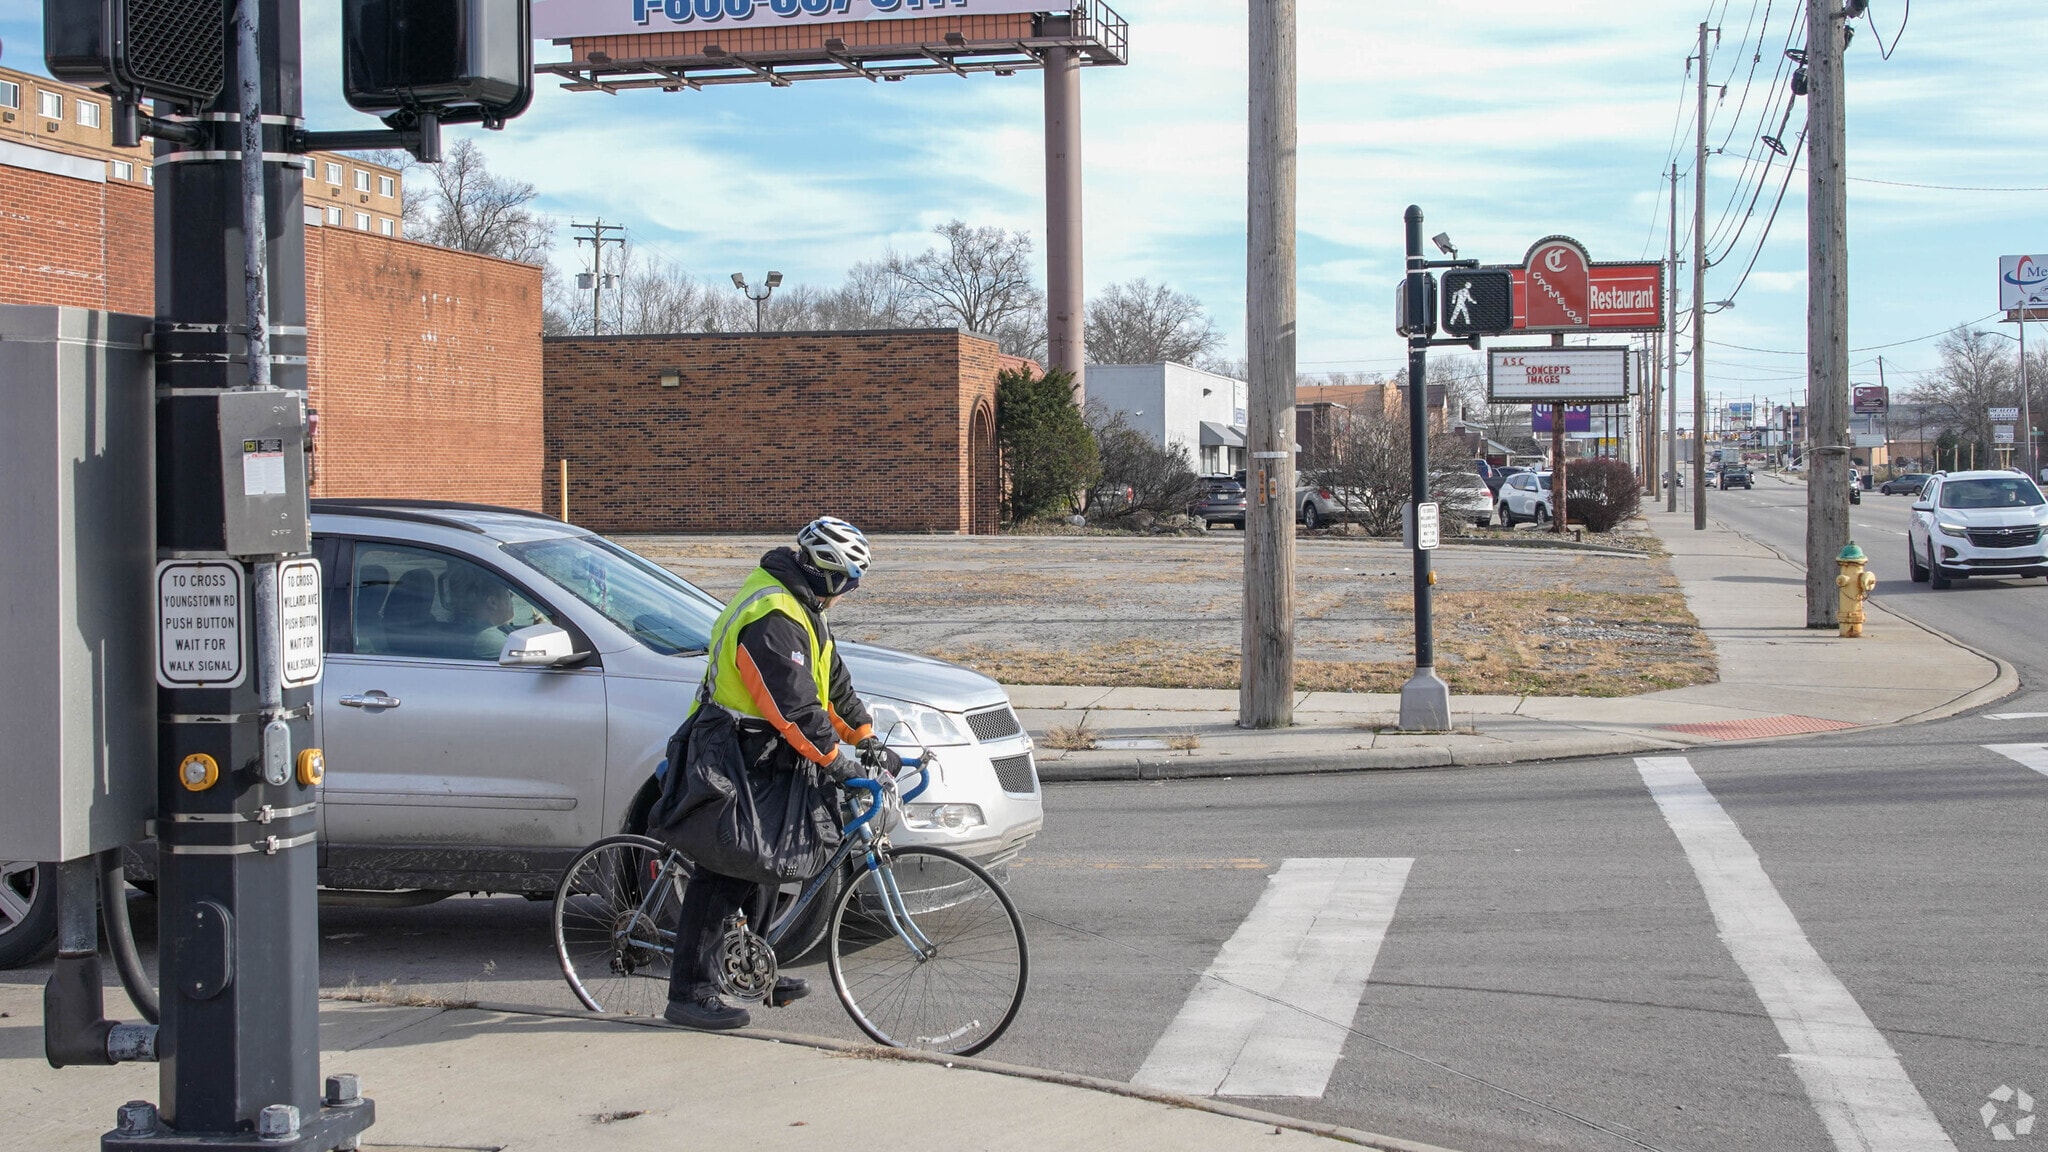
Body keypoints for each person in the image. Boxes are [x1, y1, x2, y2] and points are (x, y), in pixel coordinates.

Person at [664, 516, 897, 1031]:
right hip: (731, 751)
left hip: (768, 754)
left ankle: (751, 968)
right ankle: (689, 992)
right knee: (727, 867)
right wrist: (835, 761)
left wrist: (866, 738)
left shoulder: (803, 608)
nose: (849, 594)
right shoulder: (771, 615)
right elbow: (790, 706)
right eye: (849, 583)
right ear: (830, 577)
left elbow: (832, 686)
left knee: (772, 861)